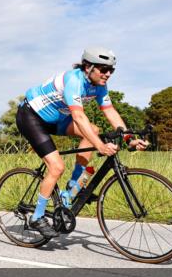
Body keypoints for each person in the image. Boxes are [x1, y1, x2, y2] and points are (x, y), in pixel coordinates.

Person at [16, 47, 148, 238]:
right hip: (32, 117)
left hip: (57, 119)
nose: (108, 74)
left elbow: (110, 111)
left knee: (93, 130)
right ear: (88, 67)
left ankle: (72, 187)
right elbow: (78, 116)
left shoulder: (99, 86)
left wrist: (129, 138)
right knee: (56, 167)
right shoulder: (74, 80)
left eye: (111, 70)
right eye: (103, 69)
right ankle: (37, 217)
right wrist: (100, 146)